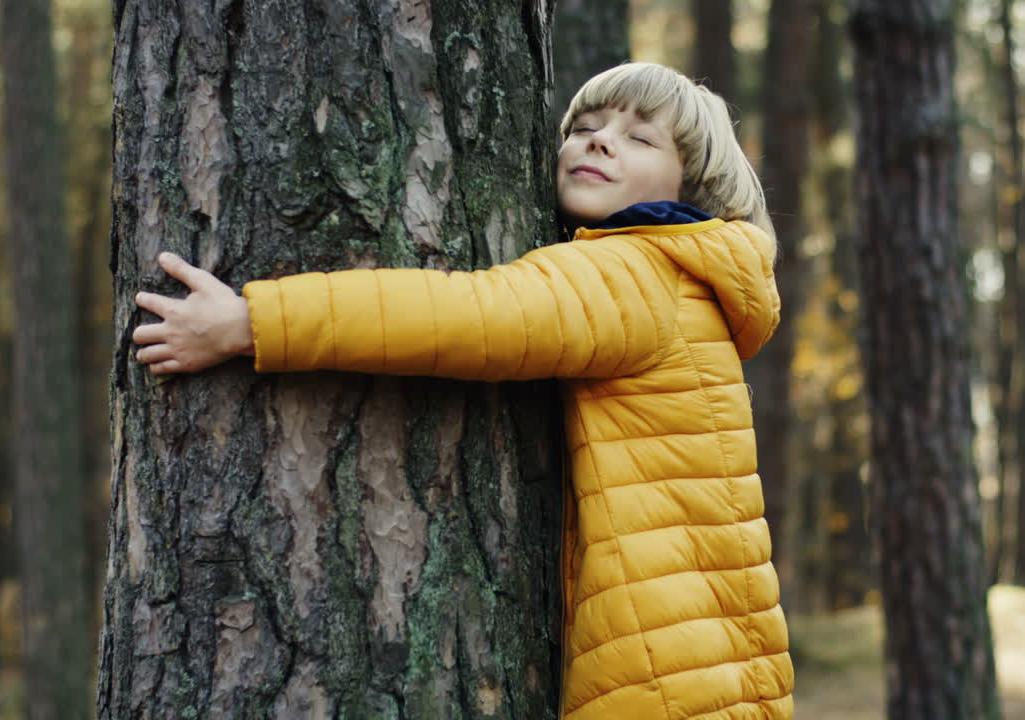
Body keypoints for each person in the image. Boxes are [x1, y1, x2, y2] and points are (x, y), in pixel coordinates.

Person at [133, 62, 793, 720]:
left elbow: (468, 316)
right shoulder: (682, 283)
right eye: (585, 126)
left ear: (694, 186)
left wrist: (252, 322)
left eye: (639, 138)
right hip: (709, 667)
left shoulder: (635, 271)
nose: (597, 141)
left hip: (672, 681)